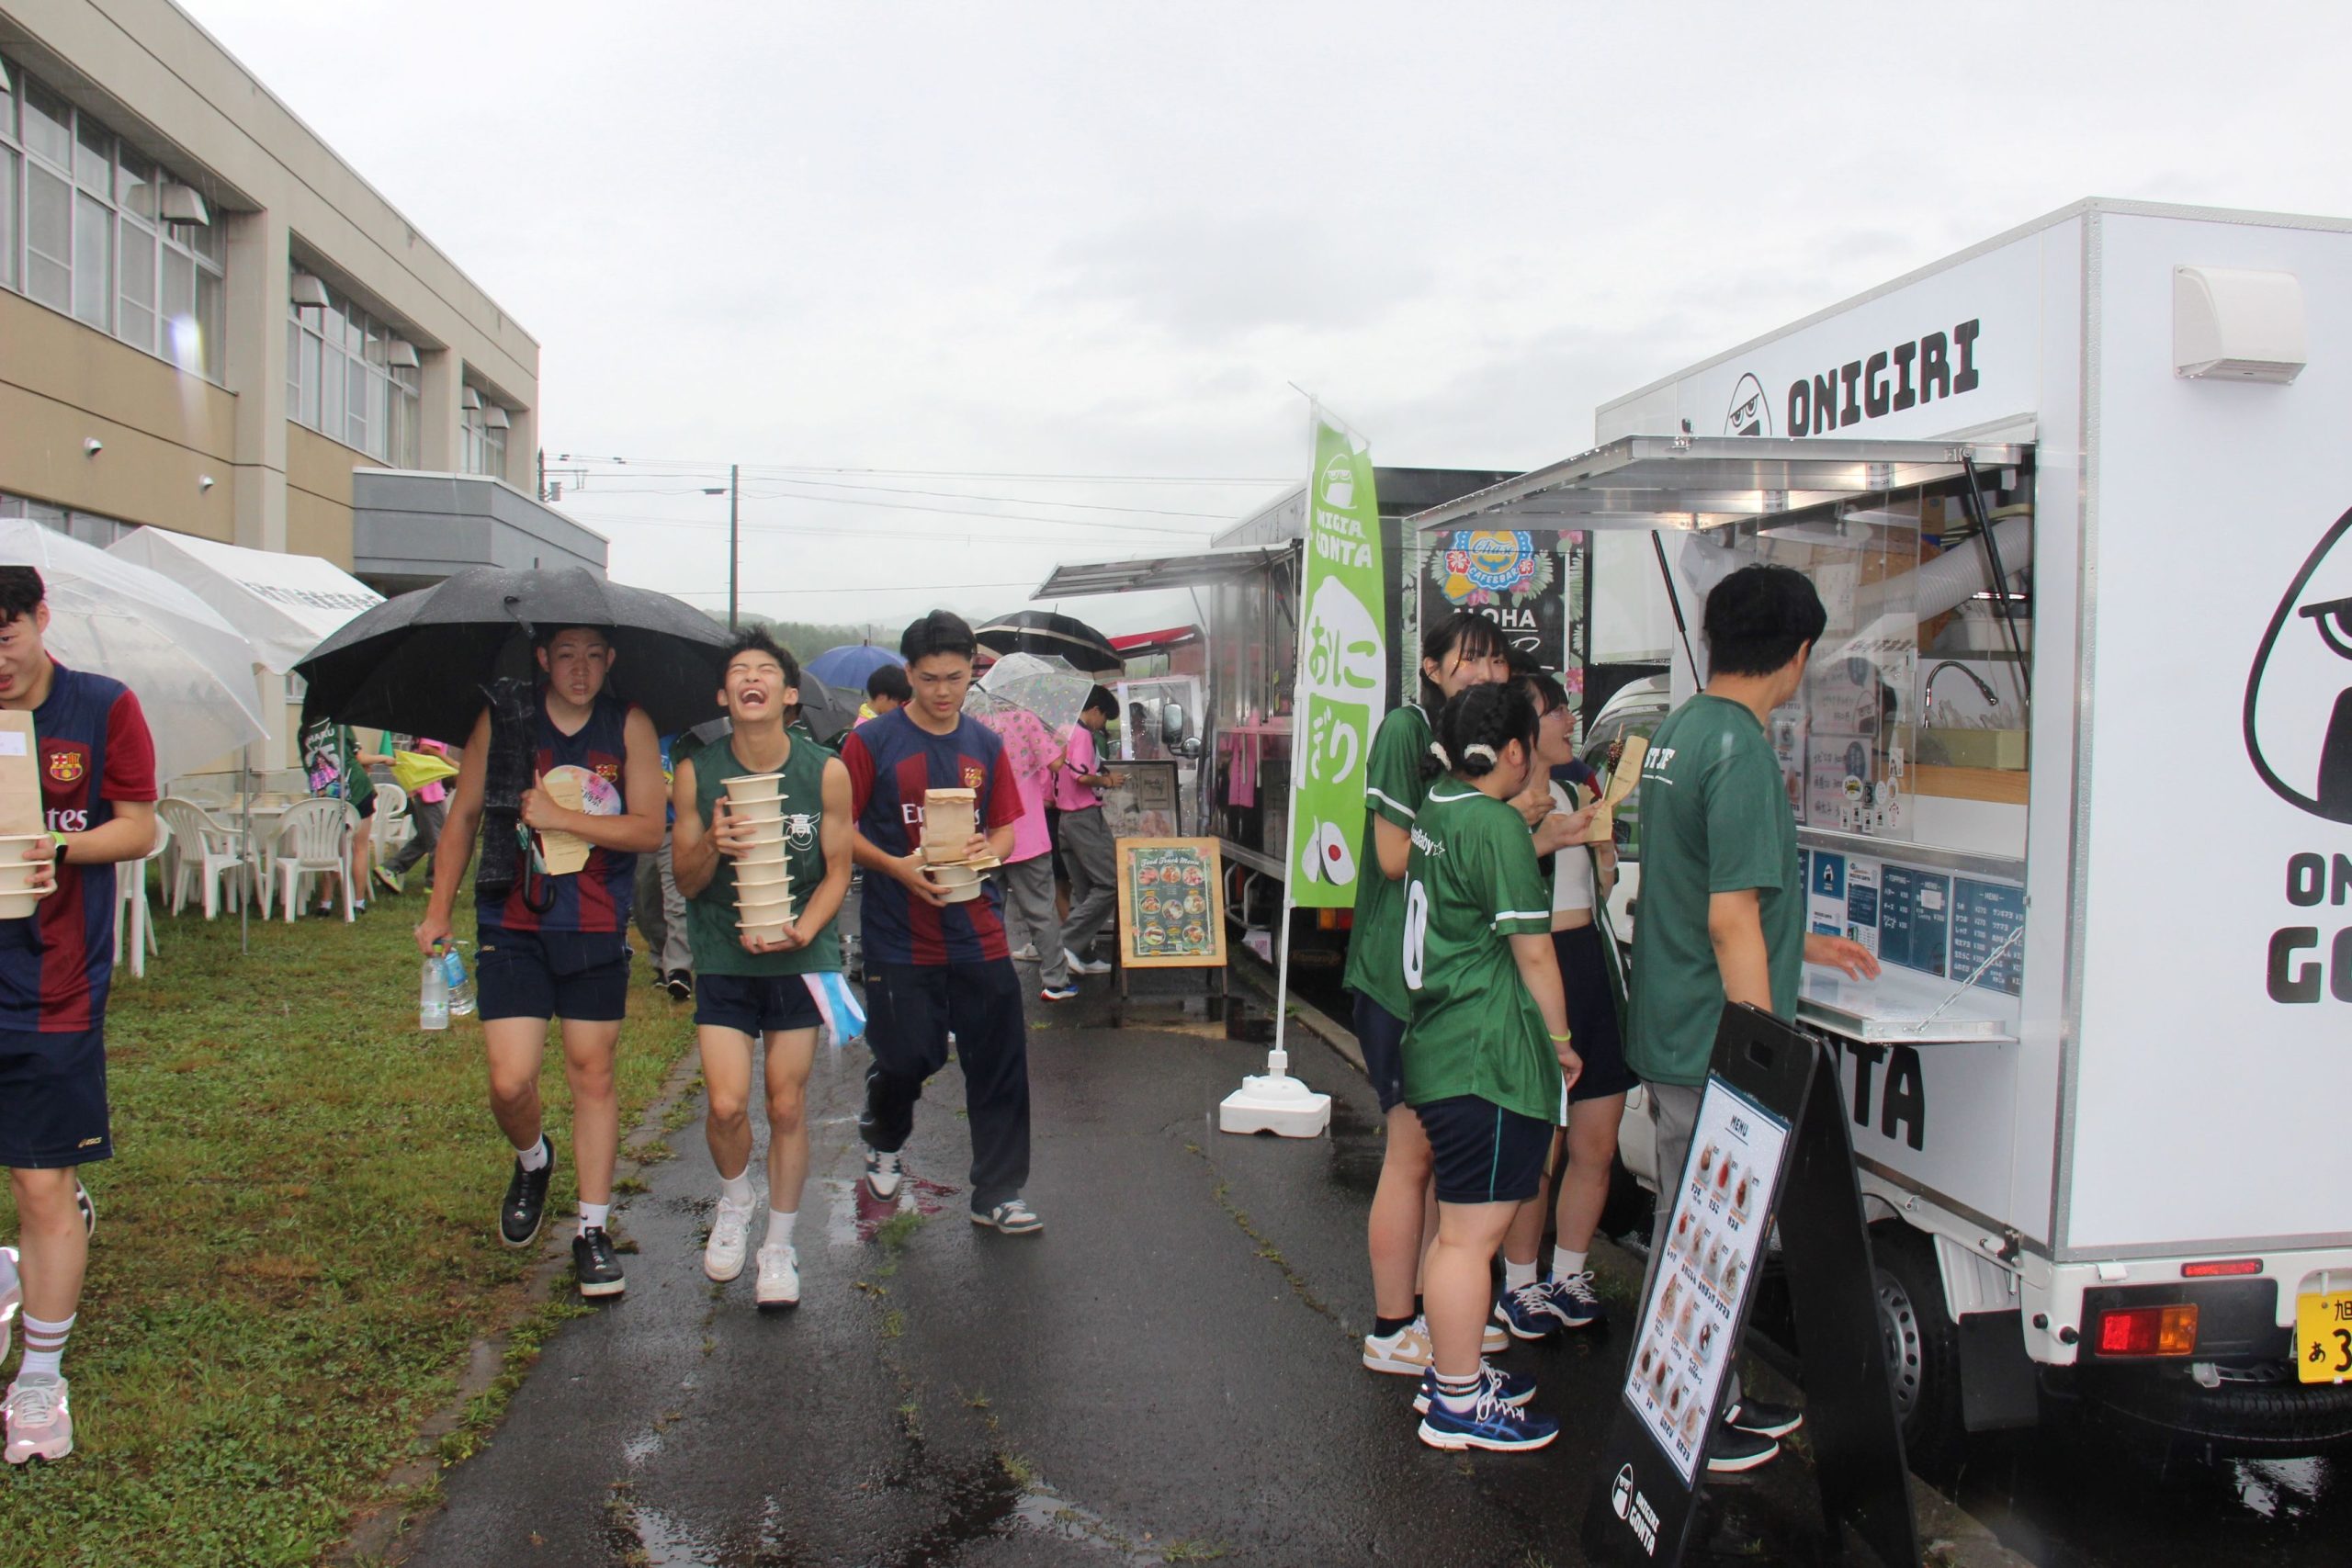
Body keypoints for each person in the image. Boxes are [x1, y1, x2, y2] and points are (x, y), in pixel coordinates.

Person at [1625, 563, 1879, 1472]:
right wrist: (1762, 1056)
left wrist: (1801, 944)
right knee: (1704, 1237)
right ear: (1799, 654)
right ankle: (1684, 1418)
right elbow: (1730, 917)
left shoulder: (1683, 728)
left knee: (1694, 1229)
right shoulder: (1739, 751)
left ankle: (1704, 1398)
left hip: (1675, 1019)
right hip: (1711, 1039)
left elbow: (1705, 889)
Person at [415, 625, 665, 1300]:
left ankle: (592, 1230)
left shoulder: (628, 724)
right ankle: (533, 1159)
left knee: (593, 1073)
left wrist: (563, 818)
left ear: (610, 661)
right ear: (542, 659)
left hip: (593, 923)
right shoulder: (505, 719)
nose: (580, 669)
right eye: (566, 655)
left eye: (593, 656)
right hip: (513, 919)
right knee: (509, 1081)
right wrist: (437, 911)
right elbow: (463, 816)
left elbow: (649, 828)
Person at [0, 565, 157, 1466]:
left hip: (52, 981)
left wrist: (59, 847)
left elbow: (139, 827)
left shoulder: (101, 707)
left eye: (6, 635)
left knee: (38, 1185)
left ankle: (39, 1378)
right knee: (36, 1182)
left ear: (38, 618)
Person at [1400, 682, 1577, 1452]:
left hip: (1440, 1042)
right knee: (1469, 1240)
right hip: (1486, 1055)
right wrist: (1561, 1039)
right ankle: (1458, 1402)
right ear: (1512, 751)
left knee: (1456, 1233)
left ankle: (1454, 1373)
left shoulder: (1438, 805)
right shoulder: (1495, 824)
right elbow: (1535, 953)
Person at [840, 610, 1041, 1235]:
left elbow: (1005, 829)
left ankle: (998, 1192)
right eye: (929, 678)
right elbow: (838, 830)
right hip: (898, 933)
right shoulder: (871, 743)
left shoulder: (985, 744)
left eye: (955, 677)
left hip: (978, 930)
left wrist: (990, 851)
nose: (943, 691)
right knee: (909, 1057)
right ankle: (883, 1135)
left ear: (971, 672)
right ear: (908, 673)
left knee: (998, 1060)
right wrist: (896, 867)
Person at [1352, 609, 1513, 1379]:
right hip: (1396, 977)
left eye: (1496, 660)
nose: (1484, 673)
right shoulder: (1406, 730)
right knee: (1410, 1153)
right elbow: (1392, 856)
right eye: (1468, 658)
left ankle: (1422, 1311)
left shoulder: (1470, 744)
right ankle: (1391, 1326)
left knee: (1429, 1155)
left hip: (1432, 981)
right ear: (1431, 665)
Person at [672, 631, 852, 1310]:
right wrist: (712, 843)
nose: (752, 679)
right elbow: (686, 881)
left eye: (766, 670)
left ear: (789, 692)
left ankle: (778, 1246)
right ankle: (735, 1198)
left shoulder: (825, 771)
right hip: (724, 949)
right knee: (725, 1104)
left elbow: (838, 871)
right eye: (739, 671)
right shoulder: (697, 772)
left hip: (801, 953)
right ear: (724, 695)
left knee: (785, 1102)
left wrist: (807, 927)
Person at [1493, 671, 1628, 1341]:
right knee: (1539, 1144)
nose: (1570, 721)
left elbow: (1602, 885)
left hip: (1588, 966)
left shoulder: (1577, 791)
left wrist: (1602, 853)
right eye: (1556, 711)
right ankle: (1520, 1281)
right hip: (1532, 975)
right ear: (1523, 730)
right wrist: (1542, 837)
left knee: (1596, 1138)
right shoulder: (1500, 806)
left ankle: (1570, 1271)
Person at [972, 700, 1072, 998]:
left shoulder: (974, 723)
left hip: (987, 837)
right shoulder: (1026, 720)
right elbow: (1055, 763)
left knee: (987, 913)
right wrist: (1063, 741)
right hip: (1028, 834)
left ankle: (988, 979)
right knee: (1041, 912)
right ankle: (1055, 981)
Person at [1051, 686, 1125, 976]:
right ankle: (1066, 944)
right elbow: (1081, 776)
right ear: (1095, 710)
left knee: (1084, 889)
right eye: (1104, 718)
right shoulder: (1081, 733)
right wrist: (1107, 781)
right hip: (1084, 818)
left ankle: (1083, 953)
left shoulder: (1062, 729)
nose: (1102, 725)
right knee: (1110, 881)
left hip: (1065, 820)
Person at [633, 731, 694, 1001]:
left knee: (676, 900)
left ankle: (679, 969)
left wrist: (660, 790)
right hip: (643, 829)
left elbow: (688, 791)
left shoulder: (681, 743)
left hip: (674, 828)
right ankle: (661, 957)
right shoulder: (633, 739)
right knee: (645, 901)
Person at [300, 716, 377, 915]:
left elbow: (309, 768)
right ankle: (358, 902)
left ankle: (325, 903)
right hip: (357, 790)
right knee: (360, 848)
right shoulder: (338, 723)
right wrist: (386, 759)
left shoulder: (304, 731)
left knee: (334, 848)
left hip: (327, 794)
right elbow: (360, 758)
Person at [376, 734, 456, 896]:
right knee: (439, 840)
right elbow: (427, 748)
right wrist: (453, 764)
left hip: (422, 787)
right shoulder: (434, 725)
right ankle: (434, 883)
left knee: (424, 839)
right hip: (429, 791)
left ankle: (390, 868)